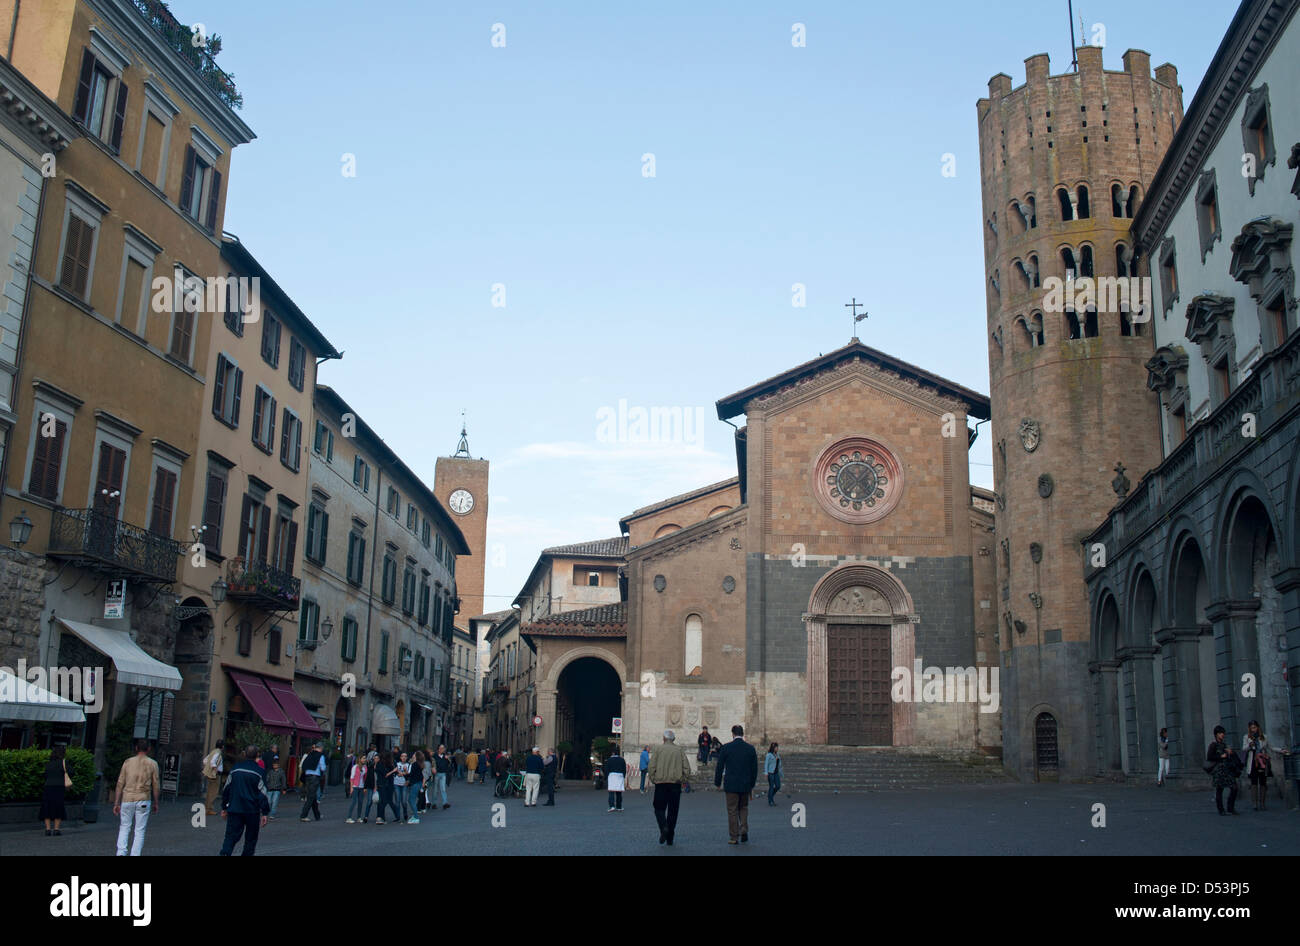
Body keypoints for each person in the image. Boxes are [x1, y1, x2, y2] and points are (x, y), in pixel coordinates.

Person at [219, 745, 270, 856]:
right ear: (257, 755)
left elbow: (226, 789)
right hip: (252, 810)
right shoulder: (259, 772)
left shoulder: (235, 769)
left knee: (230, 837)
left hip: (235, 808)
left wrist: (224, 807)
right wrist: (265, 812)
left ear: (244, 754)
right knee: (250, 840)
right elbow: (263, 794)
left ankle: (225, 854)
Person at [113, 739, 160, 856]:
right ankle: (135, 854)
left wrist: (116, 803)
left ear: (136, 748)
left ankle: (121, 853)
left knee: (124, 827)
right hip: (143, 798)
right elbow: (156, 785)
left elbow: (120, 783)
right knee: (139, 830)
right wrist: (156, 802)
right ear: (148, 749)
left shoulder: (127, 762)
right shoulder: (153, 764)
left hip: (127, 798)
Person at [715, 724, 758, 844]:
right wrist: (752, 784)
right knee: (743, 808)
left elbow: (719, 767)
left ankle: (734, 836)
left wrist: (717, 782)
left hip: (731, 785)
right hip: (745, 785)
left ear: (732, 734)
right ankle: (744, 829)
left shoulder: (726, 748)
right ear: (742, 734)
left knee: (732, 810)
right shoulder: (750, 748)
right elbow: (754, 769)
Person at [648, 730, 690, 846]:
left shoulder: (657, 749)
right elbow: (687, 768)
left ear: (663, 739)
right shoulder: (679, 750)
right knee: (673, 811)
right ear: (674, 739)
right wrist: (683, 780)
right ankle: (670, 838)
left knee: (659, 809)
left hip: (661, 784)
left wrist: (653, 779)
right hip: (675, 785)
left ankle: (663, 827)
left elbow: (651, 767)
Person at [1207, 725, 1240, 816]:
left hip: (1227, 769)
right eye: (1220, 733)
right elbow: (1210, 757)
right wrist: (1220, 756)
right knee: (1219, 790)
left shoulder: (1225, 745)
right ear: (1216, 734)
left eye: (1223, 733)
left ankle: (1230, 808)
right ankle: (1221, 809)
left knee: (1234, 788)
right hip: (1219, 770)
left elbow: (1232, 756)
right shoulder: (1213, 745)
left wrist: (1230, 753)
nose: (1222, 735)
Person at [1242, 721, 1273, 811]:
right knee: (1254, 782)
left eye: (1255, 727)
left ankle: (1262, 803)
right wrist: (1249, 745)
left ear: (1258, 727)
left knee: (1263, 782)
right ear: (1249, 729)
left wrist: (1281, 750)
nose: (1253, 730)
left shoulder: (1264, 737)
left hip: (1262, 761)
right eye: (1252, 728)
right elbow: (1243, 748)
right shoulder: (1247, 737)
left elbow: (1270, 747)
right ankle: (1254, 803)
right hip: (1252, 762)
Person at [41, 745, 69, 837]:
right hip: (59, 787)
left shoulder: (48, 764)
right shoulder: (63, 763)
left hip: (48, 786)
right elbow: (72, 772)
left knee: (47, 807)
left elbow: (44, 774)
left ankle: (48, 829)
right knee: (58, 807)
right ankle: (56, 829)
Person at [299, 741, 327, 821]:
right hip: (315, 777)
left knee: (312, 795)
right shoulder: (320, 756)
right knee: (311, 797)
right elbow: (323, 768)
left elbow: (304, 765)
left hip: (307, 776)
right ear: (321, 748)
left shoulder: (310, 754)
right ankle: (303, 815)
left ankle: (317, 815)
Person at [374, 751, 400, 824]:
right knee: (383, 801)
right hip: (382, 785)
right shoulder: (380, 764)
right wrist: (393, 771)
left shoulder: (390, 764)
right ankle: (380, 817)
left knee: (388, 801)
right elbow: (385, 775)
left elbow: (397, 773)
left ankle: (382, 817)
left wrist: (402, 772)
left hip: (389, 785)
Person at [202, 739, 225, 815]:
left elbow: (205, 760)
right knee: (213, 792)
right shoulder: (218, 753)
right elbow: (212, 762)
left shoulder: (213, 751)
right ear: (222, 746)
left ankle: (207, 808)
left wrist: (208, 768)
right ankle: (209, 809)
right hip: (215, 775)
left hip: (211, 775)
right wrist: (215, 770)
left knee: (209, 791)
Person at [346, 753, 369, 823]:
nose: (365, 760)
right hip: (355, 786)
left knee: (360, 802)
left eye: (365, 758)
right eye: (363, 758)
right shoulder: (355, 767)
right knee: (354, 801)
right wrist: (351, 787)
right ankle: (348, 817)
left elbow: (365, 777)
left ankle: (359, 817)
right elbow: (352, 778)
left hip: (362, 786)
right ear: (360, 759)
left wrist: (365, 787)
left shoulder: (365, 767)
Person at [391, 751, 412, 822]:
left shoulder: (409, 765)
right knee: (397, 801)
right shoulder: (397, 764)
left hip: (404, 784)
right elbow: (394, 771)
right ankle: (397, 816)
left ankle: (405, 813)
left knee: (404, 801)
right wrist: (401, 773)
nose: (404, 758)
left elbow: (409, 774)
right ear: (400, 757)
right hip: (396, 783)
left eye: (405, 756)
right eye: (402, 756)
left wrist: (404, 774)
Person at [605, 744, 627, 812]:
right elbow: (624, 769)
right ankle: (619, 806)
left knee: (611, 792)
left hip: (612, 776)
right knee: (619, 792)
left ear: (613, 753)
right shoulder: (622, 760)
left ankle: (612, 806)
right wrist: (623, 776)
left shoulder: (609, 760)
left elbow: (606, 769)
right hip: (620, 776)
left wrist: (607, 777)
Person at [433, 744, 453, 809]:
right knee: (435, 790)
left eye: (443, 748)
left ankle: (445, 803)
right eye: (441, 748)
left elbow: (449, 764)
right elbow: (432, 763)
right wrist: (433, 768)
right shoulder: (435, 756)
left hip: (443, 774)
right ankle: (434, 803)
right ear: (438, 749)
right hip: (437, 774)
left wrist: (447, 759)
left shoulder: (445, 756)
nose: (442, 749)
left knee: (443, 789)